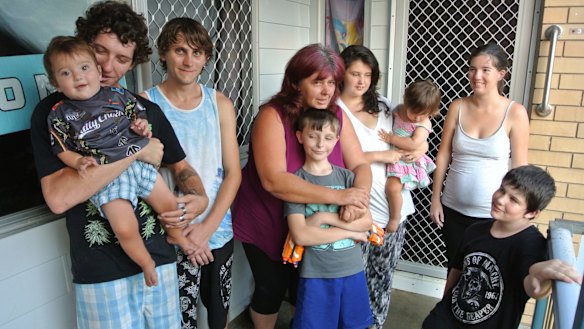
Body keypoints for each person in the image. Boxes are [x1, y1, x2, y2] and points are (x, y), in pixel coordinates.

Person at [30, 1, 208, 328]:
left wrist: (198, 198)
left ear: (132, 63)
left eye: (122, 58)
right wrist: (136, 150)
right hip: (102, 273)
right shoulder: (54, 112)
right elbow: (58, 198)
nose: (108, 65)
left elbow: (183, 169)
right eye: (100, 50)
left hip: (162, 261)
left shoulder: (139, 108)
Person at [232, 43, 372, 329]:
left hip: (311, 221)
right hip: (267, 218)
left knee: (305, 288)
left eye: (332, 82)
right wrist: (340, 195)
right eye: (317, 81)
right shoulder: (272, 116)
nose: (327, 91)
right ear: (296, 82)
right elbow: (273, 180)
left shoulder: (336, 115)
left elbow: (360, 165)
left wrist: (358, 198)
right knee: (271, 288)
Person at [44, 36, 195, 287]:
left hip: (138, 168)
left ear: (95, 68)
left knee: (168, 203)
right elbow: (61, 148)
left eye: (84, 68)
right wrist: (76, 162)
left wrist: (141, 126)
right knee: (125, 227)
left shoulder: (116, 94)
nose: (79, 77)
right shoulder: (59, 113)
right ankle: (145, 262)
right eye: (66, 73)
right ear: (55, 83)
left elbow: (139, 117)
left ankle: (176, 236)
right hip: (107, 178)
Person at [141, 17, 241, 329]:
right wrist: (184, 235)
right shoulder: (146, 103)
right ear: (163, 54)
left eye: (197, 53)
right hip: (171, 232)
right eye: (180, 50)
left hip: (217, 228)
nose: (188, 60)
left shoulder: (219, 103)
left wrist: (207, 229)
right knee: (178, 318)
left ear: (206, 59)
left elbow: (233, 173)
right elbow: (145, 177)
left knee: (217, 313)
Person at [422, 165, 582, 329]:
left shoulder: (531, 244)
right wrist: (442, 306)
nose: (500, 199)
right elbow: (456, 271)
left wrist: (540, 273)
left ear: (531, 213)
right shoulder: (475, 230)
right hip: (444, 320)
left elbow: (533, 287)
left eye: (513, 200)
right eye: (501, 190)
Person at [337, 44, 428, 329]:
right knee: (350, 278)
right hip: (357, 209)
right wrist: (380, 155)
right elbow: (331, 159)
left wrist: (421, 144)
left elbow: (417, 127)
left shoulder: (385, 104)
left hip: (394, 210)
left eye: (367, 74)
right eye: (355, 73)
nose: (361, 81)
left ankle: (374, 325)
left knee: (382, 276)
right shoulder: (334, 111)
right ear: (342, 74)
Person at [429, 43, 530, 270]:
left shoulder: (515, 112)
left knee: (481, 275)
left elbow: (520, 168)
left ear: (501, 74)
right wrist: (435, 198)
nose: (477, 76)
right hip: (452, 210)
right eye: (472, 69)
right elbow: (443, 154)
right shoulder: (458, 106)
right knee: (454, 270)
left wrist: (517, 212)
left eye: (485, 70)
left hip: (492, 214)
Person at [285, 108, 373, 329]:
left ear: (337, 140)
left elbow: (366, 222)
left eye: (327, 137)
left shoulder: (347, 177)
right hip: (316, 274)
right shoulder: (296, 182)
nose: (319, 143)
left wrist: (319, 219)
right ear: (300, 137)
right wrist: (350, 231)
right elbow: (301, 234)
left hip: (352, 270)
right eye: (313, 136)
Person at [378, 79, 440, 232]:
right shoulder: (398, 110)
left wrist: (391, 138)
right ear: (406, 100)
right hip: (394, 155)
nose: (417, 118)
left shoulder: (423, 124)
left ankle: (394, 217)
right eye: (414, 111)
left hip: (406, 161)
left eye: (423, 114)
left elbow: (414, 143)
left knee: (392, 188)